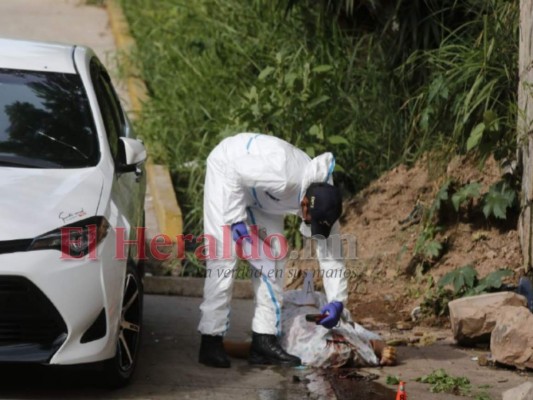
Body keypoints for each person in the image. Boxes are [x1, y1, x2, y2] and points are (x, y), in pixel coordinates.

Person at [198, 133, 347, 368]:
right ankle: (211, 340)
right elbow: (234, 172)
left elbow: (331, 253)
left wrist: (337, 301)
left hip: (264, 195)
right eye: (310, 220)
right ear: (305, 204)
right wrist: (235, 219)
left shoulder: (326, 200)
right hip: (227, 172)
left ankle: (263, 341)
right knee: (223, 259)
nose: (309, 225)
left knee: (273, 259)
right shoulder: (282, 175)